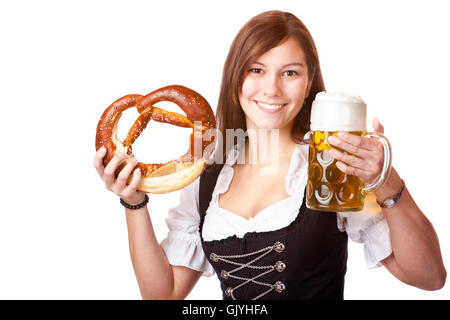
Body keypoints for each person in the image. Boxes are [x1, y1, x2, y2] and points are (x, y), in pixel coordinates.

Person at [93, 10, 446, 299]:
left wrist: (386, 182)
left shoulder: (332, 167)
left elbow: (429, 277)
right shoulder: (207, 174)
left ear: (309, 84)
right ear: (236, 79)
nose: (272, 89)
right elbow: (163, 295)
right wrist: (134, 201)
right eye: (256, 70)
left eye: (289, 73)